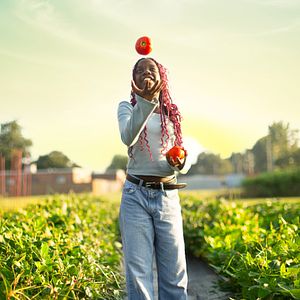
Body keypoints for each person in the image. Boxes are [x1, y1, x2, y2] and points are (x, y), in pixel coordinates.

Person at [117, 57, 191, 300]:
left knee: (175, 272)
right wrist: (146, 102)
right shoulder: (126, 108)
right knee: (138, 274)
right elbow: (129, 137)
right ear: (133, 80)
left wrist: (181, 162)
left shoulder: (172, 114)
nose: (145, 73)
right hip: (135, 195)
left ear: (162, 78)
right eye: (139, 70)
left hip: (167, 195)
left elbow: (184, 155)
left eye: (151, 69)